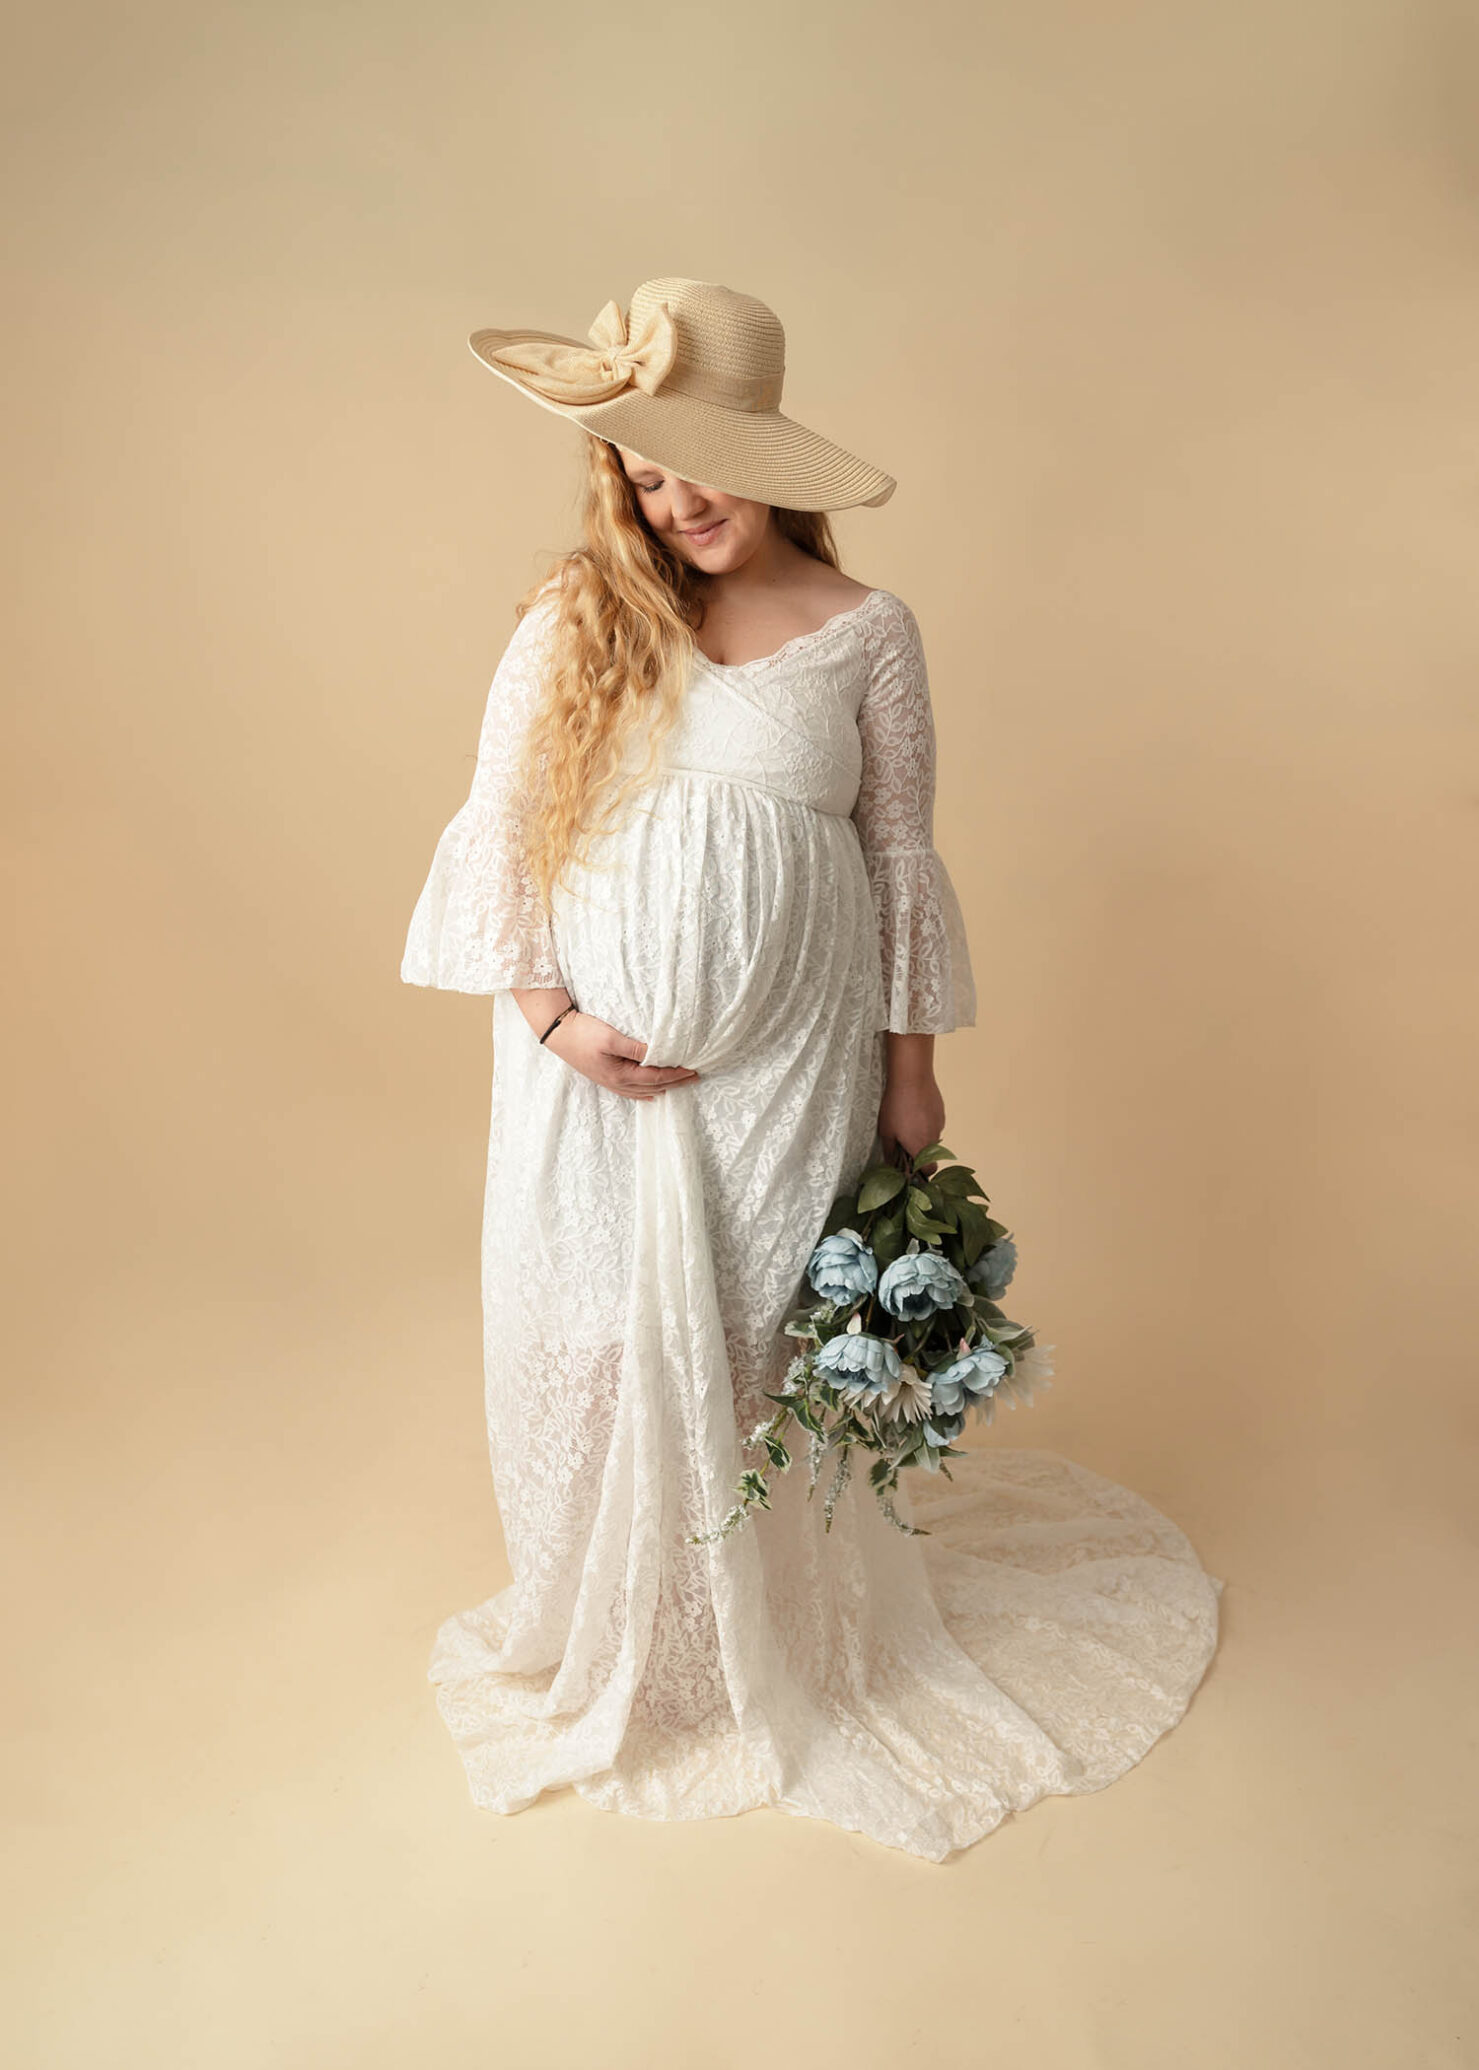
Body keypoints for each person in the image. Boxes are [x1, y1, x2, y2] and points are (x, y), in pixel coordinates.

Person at [402, 278, 1222, 1862]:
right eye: (645, 468)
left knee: (758, 1338)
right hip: (590, 1075)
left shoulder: (871, 636)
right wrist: (556, 1017)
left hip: (793, 1067)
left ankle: (759, 1640)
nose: (676, 495)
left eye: (701, 459)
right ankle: (636, 1639)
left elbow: (897, 851)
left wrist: (911, 1078)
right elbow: (503, 829)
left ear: (770, 454)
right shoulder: (583, 617)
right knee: (587, 1340)